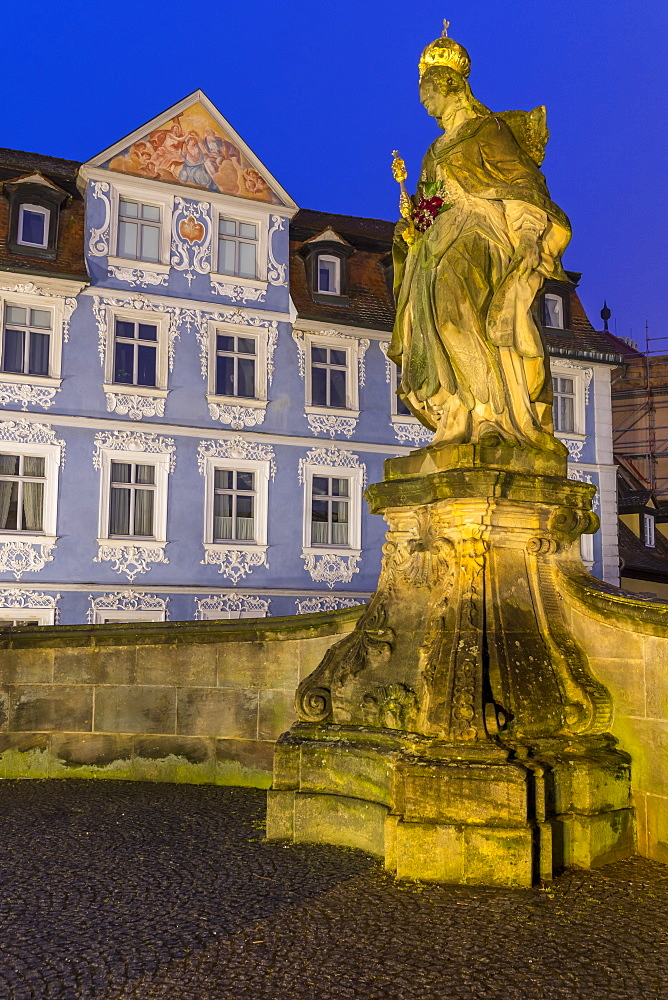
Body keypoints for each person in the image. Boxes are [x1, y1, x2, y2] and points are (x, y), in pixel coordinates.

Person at [389, 27, 571, 454]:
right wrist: (412, 220)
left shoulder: (487, 131)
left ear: (449, 86)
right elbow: (428, 205)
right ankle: (458, 412)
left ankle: (492, 415)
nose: (426, 105)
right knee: (429, 326)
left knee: (459, 317)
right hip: (437, 244)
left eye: (428, 95)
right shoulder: (434, 150)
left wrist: (528, 237)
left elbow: (524, 185)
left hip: (481, 235)